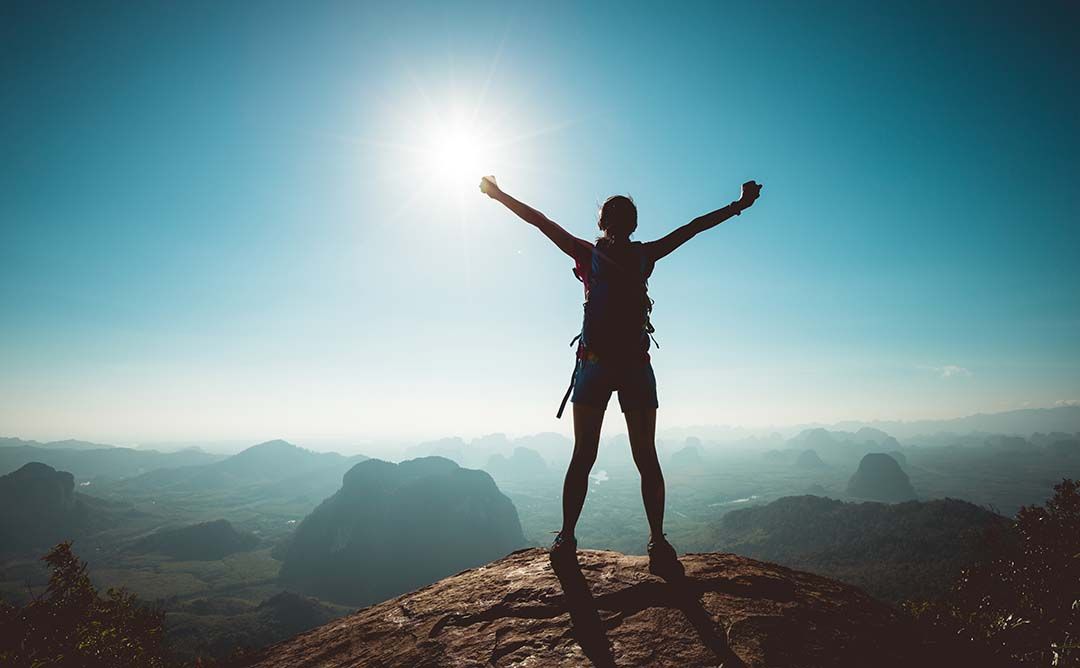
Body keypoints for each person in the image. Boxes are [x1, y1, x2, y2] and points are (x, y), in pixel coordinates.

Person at [480, 175, 762, 573]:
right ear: (634, 223)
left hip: (594, 365)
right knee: (646, 456)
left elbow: (540, 221)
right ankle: (658, 541)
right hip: (635, 366)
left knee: (583, 454)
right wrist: (738, 206)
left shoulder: (586, 253)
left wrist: (497, 194)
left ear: (602, 222)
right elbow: (693, 228)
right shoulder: (646, 255)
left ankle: (566, 538)